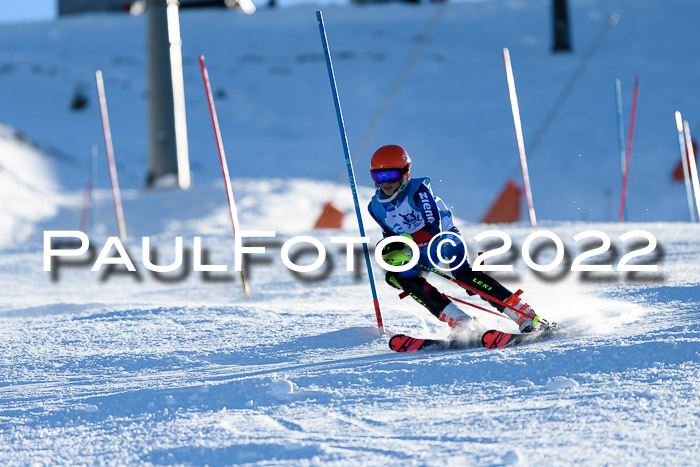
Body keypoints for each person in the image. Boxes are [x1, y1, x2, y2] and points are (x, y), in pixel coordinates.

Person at [367, 144, 544, 336]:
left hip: (443, 240)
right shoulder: (375, 207)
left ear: (405, 173)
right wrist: (387, 253)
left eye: (391, 175)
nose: (385, 182)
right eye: (379, 176)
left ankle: (522, 313)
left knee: (463, 275)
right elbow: (390, 236)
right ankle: (462, 322)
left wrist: (406, 244)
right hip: (416, 250)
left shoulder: (419, 192)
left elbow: (434, 227)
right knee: (402, 278)